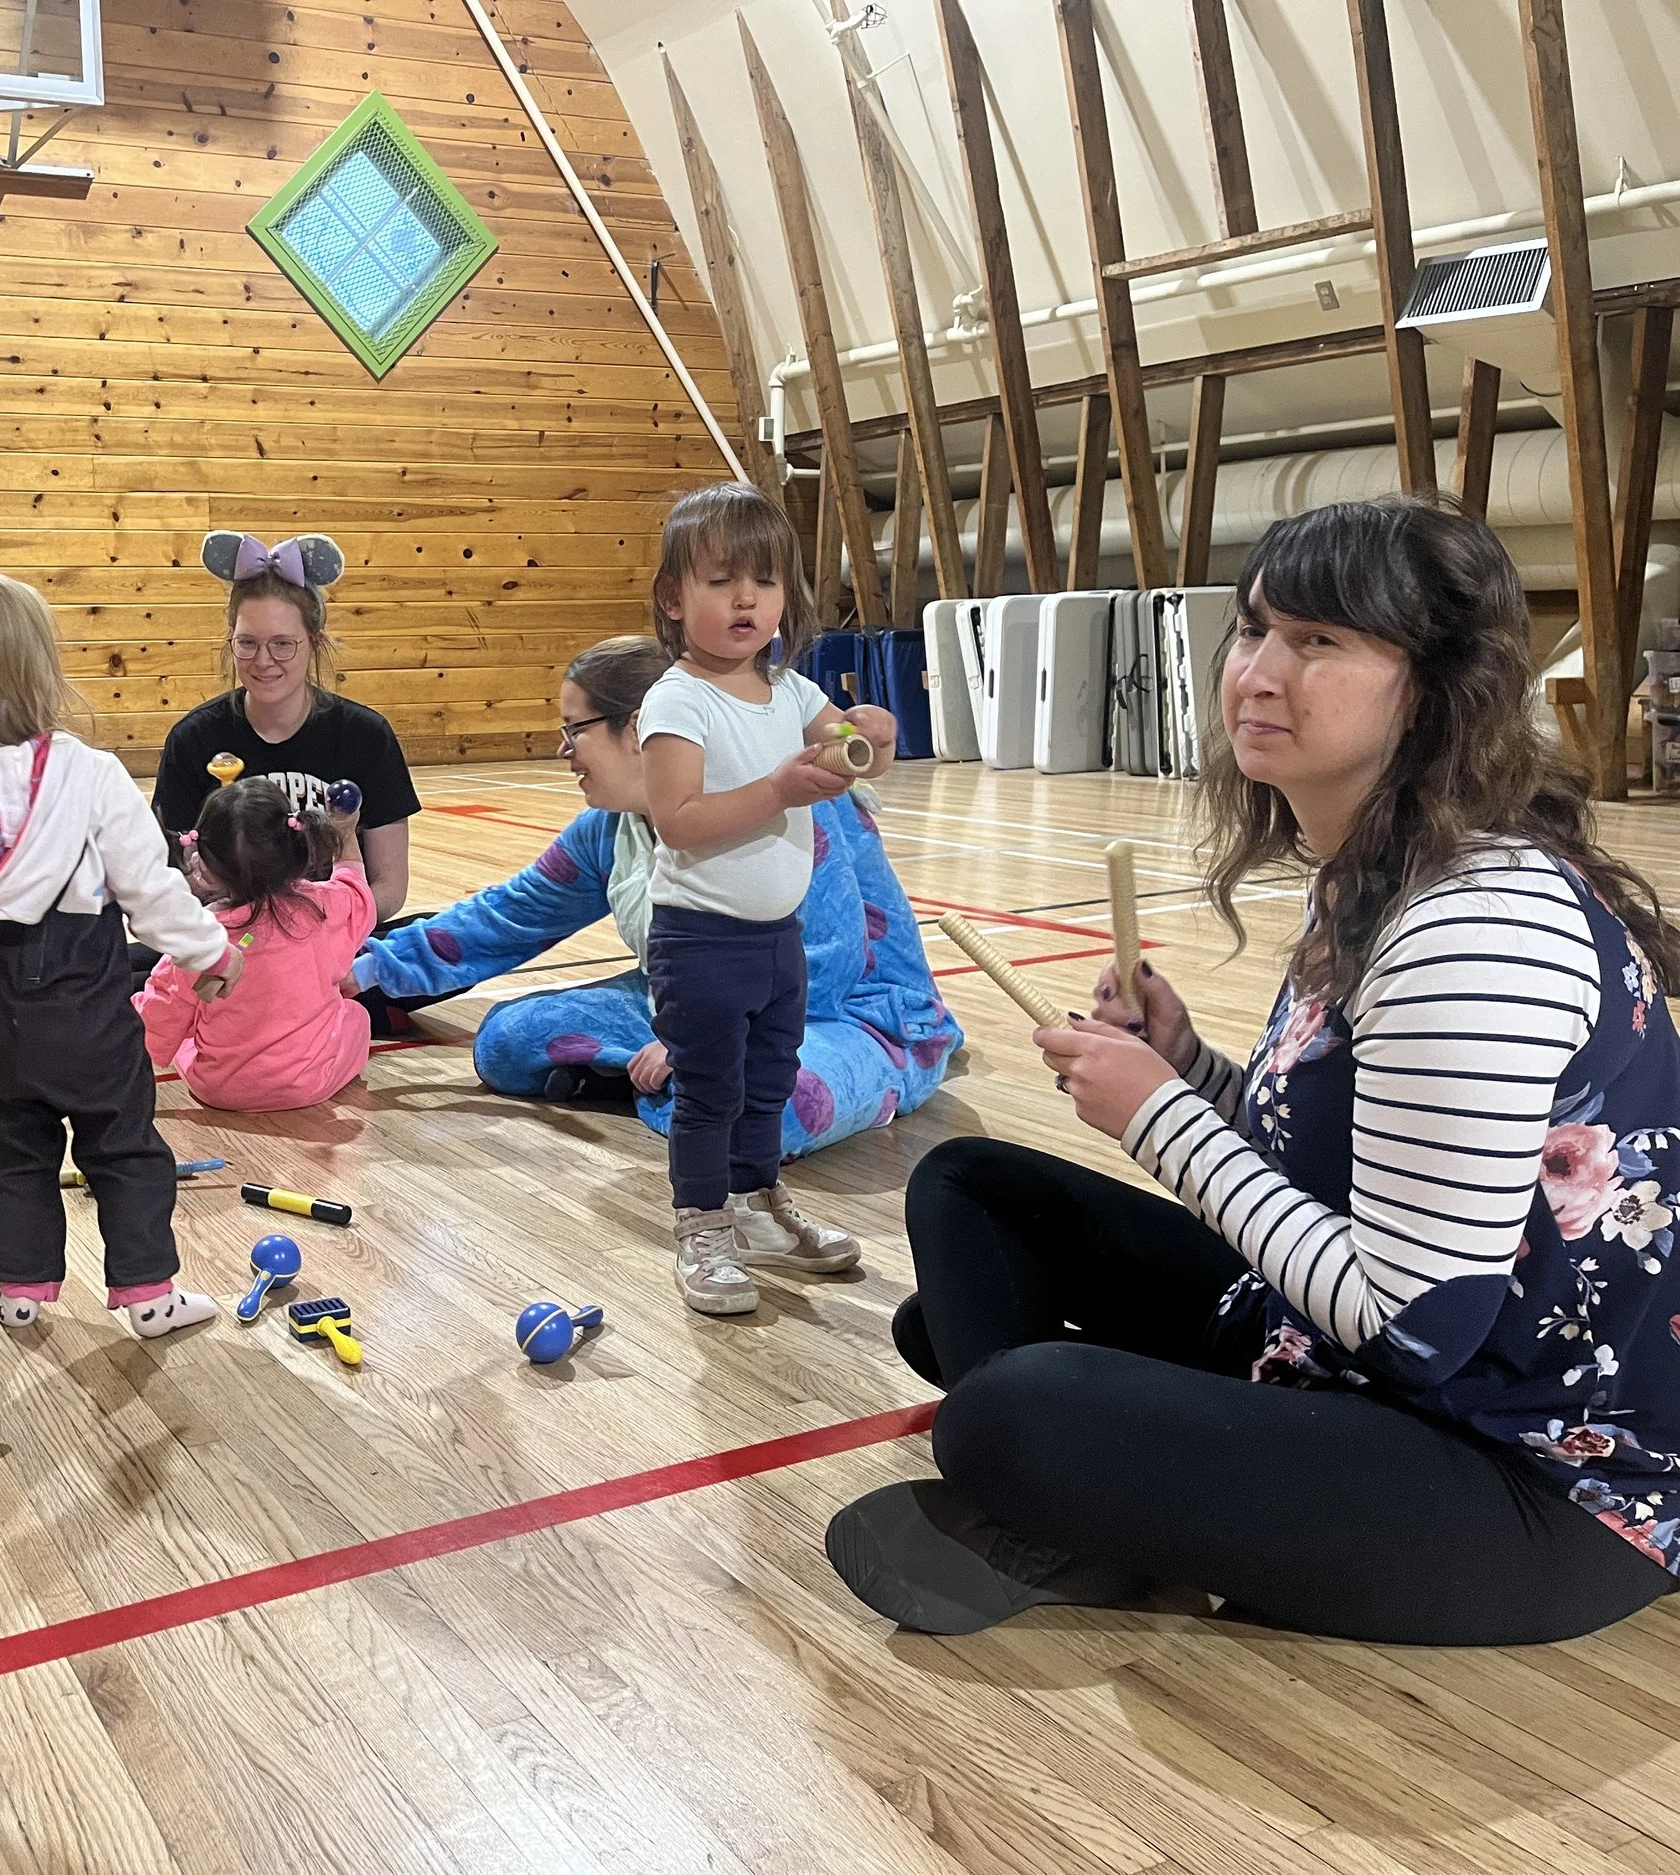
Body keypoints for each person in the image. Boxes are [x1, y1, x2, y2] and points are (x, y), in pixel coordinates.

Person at [832, 495, 1680, 1646]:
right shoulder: (1375, 869)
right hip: (1367, 1363)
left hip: (1533, 1478)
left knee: (1005, 1412)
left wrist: (1163, 1120)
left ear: (1433, 685)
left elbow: (1412, 1325)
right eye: (1253, 630)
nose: (1258, 673)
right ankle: (1103, 1495)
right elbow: (1350, 1156)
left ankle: (1074, 1498)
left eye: (1319, 641)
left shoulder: (1470, 928)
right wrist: (1190, 1068)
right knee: (970, 1191)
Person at [358, 635, 961, 1157]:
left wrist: (695, 1042)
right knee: (506, 1042)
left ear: (644, 725)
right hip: (696, 1000)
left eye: (577, 729)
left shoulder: (792, 801)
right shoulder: (607, 828)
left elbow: (823, 971)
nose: (564, 751)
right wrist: (367, 968)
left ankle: (678, 1082)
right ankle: (679, 1083)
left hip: (838, 1016)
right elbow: (508, 917)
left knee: (766, 1111)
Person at [0, 570, 242, 1340]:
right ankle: (147, 1293)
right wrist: (211, 953)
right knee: (124, 1143)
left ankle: (20, 1286)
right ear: (39, 667)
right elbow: (153, 891)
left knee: (6, 1151)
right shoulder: (92, 775)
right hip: (87, 1014)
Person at [632, 483, 873, 1316]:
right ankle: (702, 1223)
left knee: (769, 1080)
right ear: (674, 596)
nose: (746, 599)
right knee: (710, 1091)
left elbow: (844, 737)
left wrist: (865, 731)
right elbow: (681, 819)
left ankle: (757, 1202)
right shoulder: (676, 699)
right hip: (700, 940)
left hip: (779, 938)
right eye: (722, 579)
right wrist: (778, 788)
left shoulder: (792, 691)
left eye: (764, 583)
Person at [149, 531, 423, 1031]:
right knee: (129, 965)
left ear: (314, 643)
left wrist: (307, 934)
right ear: (229, 640)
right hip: (232, 942)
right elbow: (169, 881)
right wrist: (209, 896)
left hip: (332, 938)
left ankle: (273, 1006)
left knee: (430, 946)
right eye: (247, 643)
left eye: (283, 644)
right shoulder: (194, 738)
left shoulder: (365, 736)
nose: (263, 661)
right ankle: (321, 1006)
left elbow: (389, 887)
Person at [136, 779, 374, 1111]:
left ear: (203, 863)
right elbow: (357, 893)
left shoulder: (201, 939)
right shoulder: (323, 908)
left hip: (220, 1089)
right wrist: (346, 834)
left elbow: (158, 1020)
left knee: (187, 1039)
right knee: (356, 1016)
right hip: (309, 1082)